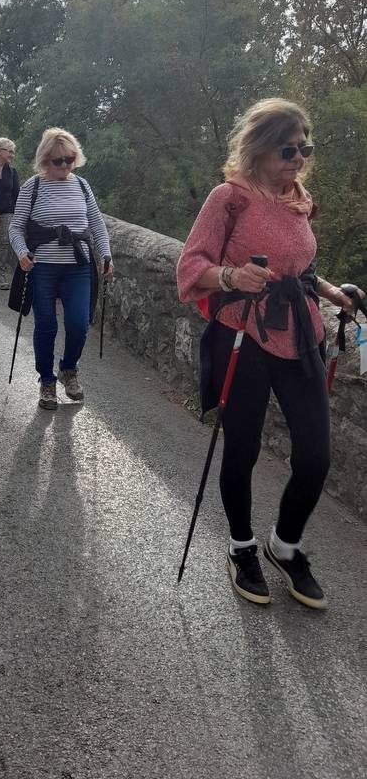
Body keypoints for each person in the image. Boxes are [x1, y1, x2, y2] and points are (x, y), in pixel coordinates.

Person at [176, 97, 364, 610]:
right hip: (245, 334)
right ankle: (241, 548)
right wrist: (232, 276)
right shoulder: (229, 198)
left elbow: (296, 270)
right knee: (242, 450)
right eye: (289, 149)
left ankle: (284, 545)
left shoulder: (299, 199)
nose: (299, 158)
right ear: (259, 149)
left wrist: (332, 293)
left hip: (299, 334)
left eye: (306, 148)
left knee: (316, 456)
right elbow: (191, 266)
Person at [10, 128, 112, 410]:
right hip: (42, 268)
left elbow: (96, 224)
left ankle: (69, 369)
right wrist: (21, 252)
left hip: (77, 268)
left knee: (79, 325)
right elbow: (16, 228)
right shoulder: (33, 187)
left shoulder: (81, 185)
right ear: (45, 160)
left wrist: (105, 253)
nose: (66, 166)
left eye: (70, 159)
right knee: (46, 326)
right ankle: (46, 380)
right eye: (58, 161)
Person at [0, 137, 20, 289]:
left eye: (13, 152)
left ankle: (0, 272)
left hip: (7, 211)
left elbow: (17, 195)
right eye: (9, 151)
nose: (12, 155)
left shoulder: (13, 172)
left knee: (4, 241)